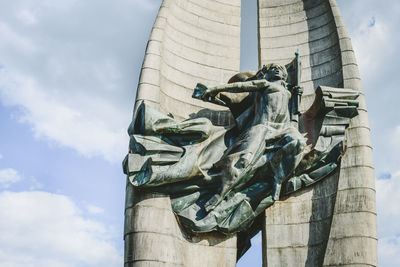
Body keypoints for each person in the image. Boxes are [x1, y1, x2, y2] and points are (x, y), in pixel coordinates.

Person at [193, 64, 308, 211]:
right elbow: (242, 86)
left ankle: (278, 179)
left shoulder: (289, 93)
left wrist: (297, 97)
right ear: (266, 74)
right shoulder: (265, 84)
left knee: (299, 143)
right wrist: (215, 89)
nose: (277, 70)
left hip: (283, 129)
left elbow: (292, 117)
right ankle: (220, 194)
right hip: (262, 127)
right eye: (273, 68)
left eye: (280, 68)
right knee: (243, 160)